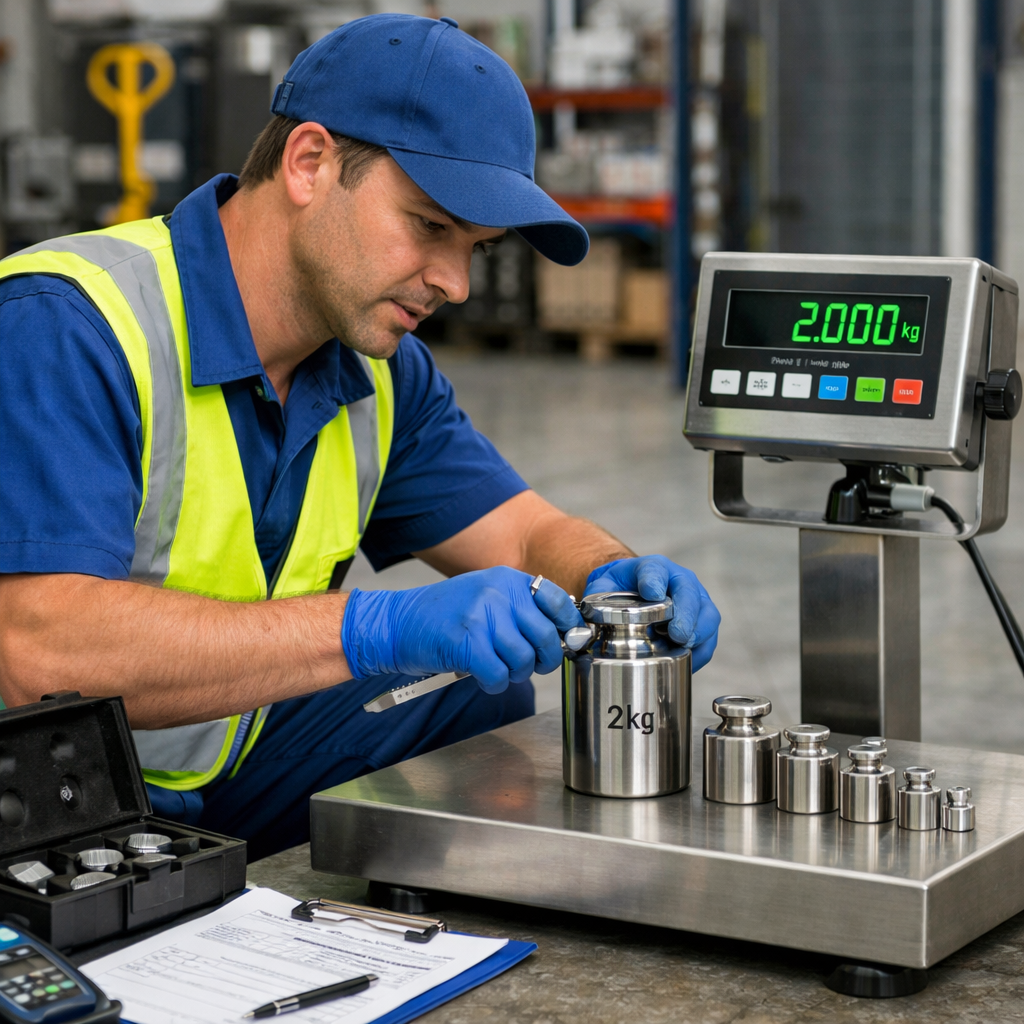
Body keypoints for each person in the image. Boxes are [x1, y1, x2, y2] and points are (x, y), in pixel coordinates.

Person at [0, 14, 719, 860]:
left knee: (473, 694)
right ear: (311, 163)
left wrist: (609, 575)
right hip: (40, 793)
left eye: (477, 249)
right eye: (429, 227)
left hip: (211, 759)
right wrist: (369, 628)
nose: (453, 282)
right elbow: (40, 656)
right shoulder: (71, 324)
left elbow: (523, 533)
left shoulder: (375, 369)